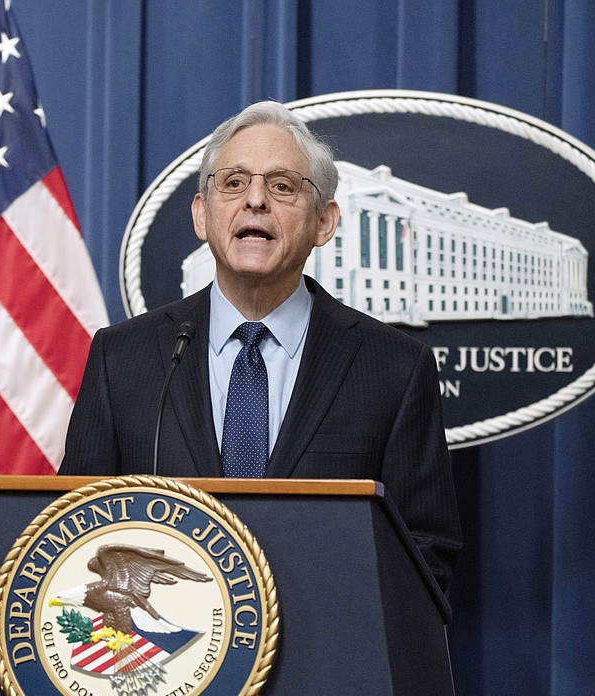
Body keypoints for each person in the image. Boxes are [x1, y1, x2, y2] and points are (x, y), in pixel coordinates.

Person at [59, 100, 460, 591]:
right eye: (233, 183)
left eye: (282, 186)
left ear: (323, 222)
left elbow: (426, 554)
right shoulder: (122, 359)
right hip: (166, 656)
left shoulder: (394, 368)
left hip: (324, 659)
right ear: (202, 216)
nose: (255, 201)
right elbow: (73, 535)